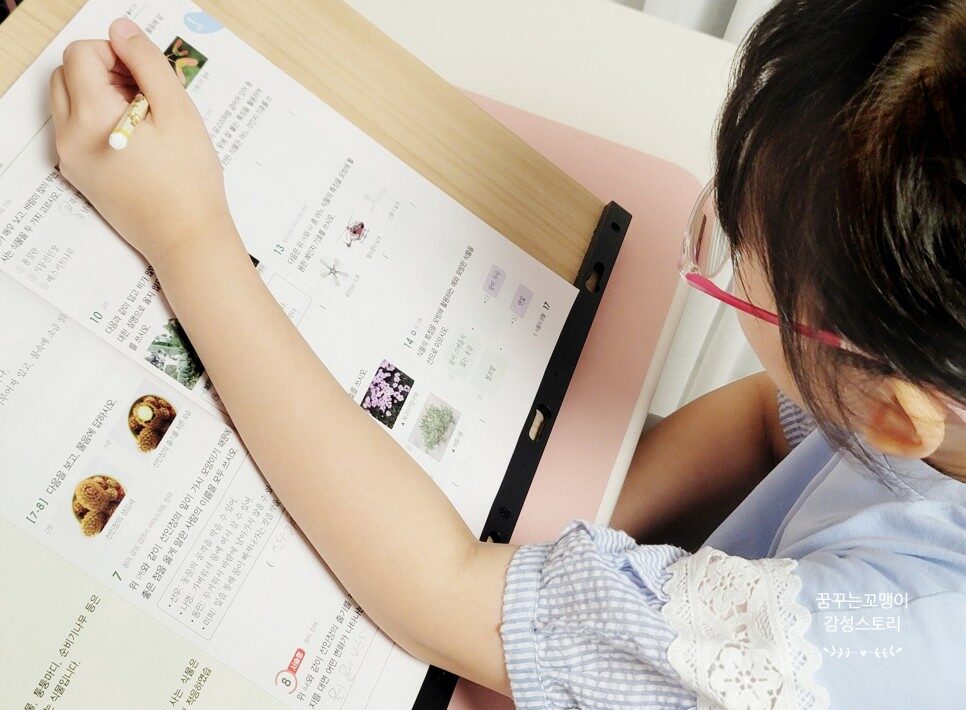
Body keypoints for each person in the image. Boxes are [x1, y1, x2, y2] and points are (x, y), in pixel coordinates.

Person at [49, 0, 964, 706]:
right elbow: (774, 421)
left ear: (895, 415)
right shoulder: (926, 401)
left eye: (737, 260)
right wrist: (568, 557)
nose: (722, 256)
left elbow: (437, 597)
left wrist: (187, 234)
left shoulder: (868, 650)